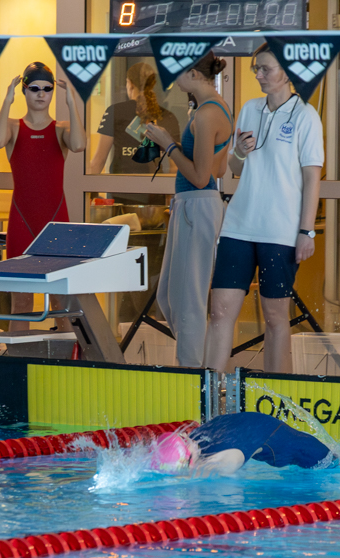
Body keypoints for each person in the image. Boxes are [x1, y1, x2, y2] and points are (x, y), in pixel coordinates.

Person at [203, 43, 324, 374]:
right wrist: (240, 153)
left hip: (280, 231)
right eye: (256, 68)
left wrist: (306, 231)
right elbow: (235, 167)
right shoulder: (249, 109)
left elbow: (312, 178)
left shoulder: (305, 116)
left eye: (265, 69)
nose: (258, 75)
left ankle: (274, 393)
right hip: (238, 226)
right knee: (220, 311)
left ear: (286, 71)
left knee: (274, 316)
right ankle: (209, 392)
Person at [144, 52, 233, 368]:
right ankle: (193, 364)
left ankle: (192, 372)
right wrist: (176, 147)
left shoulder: (207, 114)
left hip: (197, 205)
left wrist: (169, 145)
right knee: (171, 295)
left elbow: (200, 176)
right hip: (196, 205)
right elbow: (218, 170)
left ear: (194, 73)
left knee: (188, 299)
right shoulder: (216, 108)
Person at [0, 62, 86, 330]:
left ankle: (68, 356)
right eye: (34, 88)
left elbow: (79, 145)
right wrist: (6, 101)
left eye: (47, 88)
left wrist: (72, 102)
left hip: (55, 222)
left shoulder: (61, 129)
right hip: (22, 222)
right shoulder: (13, 127)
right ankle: (18, 355)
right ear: (24, 90)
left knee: (60, 301)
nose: (41, 94)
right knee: (21, 302)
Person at [150, 412, 336, 476]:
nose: (186, 435)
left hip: (316, 458)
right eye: (183, 439)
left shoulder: (230, 455)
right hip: (273, 433)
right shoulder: (199, 438)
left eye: (182, 436)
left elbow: (225, 475)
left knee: (333, 463)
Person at [89, 63, 180, 178]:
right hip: (154, 185)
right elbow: (175, 167)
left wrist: (87, 187)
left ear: (129, 83)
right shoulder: (167, 116)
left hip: (121, 184)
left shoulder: (115, 111)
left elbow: (99, 161)